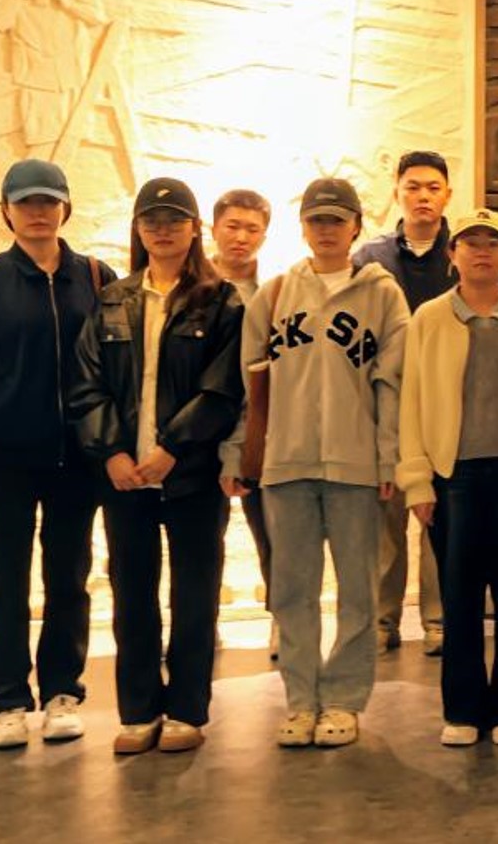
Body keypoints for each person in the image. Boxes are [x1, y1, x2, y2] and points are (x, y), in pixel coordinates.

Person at [69, 177, 245, 755]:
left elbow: (223, 388)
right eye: (152, 220)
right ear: (139, 229)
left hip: (190, 474)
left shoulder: (222, 301)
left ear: (194, 229)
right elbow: (86, 384)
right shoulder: (112, 299)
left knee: (194, 597)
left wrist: (173, 448)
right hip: (126, 478)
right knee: (132, 596)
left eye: (174, 220)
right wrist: (112, 453)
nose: (162, 230)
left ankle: (188, 712)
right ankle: (139, 711)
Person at [0, 158, 115, 750]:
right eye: (25, 203)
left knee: (69, 578)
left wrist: (110, 447)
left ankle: (64, 691)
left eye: (48, 201)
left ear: (65, 208)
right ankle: (8, 701)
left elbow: (115, 372)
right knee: (5, 583)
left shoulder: (95, 276)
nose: (38, 212)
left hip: (77, 459)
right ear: (6, 211)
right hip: (6, 462)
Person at [241, 177, 411, 749]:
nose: (327, 229)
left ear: (356, 226)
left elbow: (392, 385)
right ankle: (300, 700)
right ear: (303, 227)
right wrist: (241, 455)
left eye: (337, 220)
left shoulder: (383, 295)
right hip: (286, 464)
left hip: (355, 464)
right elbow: (250, 388)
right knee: (292, 591)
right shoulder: (274, 295)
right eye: (317, 220)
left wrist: (388, 459)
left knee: (359, 591)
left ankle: (343, 699)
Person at [397, 207, 498, 748]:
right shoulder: (430, 317)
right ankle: (462, 709)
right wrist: (417, 482)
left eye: (492, 243)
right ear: (452, 253)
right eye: (470, 242)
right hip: (452, 475)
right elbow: (411, 402)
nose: (482, 252)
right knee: (459, 599)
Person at [356, 151, 458, 654]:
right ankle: (382, 620)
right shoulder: (370, 259)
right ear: (396, 191)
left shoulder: (462, 252)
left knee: (438, 514)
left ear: (447, 195)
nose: (423, 196)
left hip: (446, 401)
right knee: (386, 516)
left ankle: (439, 620)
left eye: (433, 187)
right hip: (387, 401)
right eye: (413, 186)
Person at [212, 189, 276, 657]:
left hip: (261, 429)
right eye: (232, 226)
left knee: (274, 535)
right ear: (214, 229)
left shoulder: (274, 292)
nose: (241, 237)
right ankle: (203, 622)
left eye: (252, 229)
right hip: (202, 429)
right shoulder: (194, 288)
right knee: (202, 539)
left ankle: (282, 621)